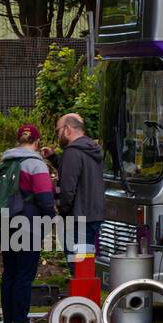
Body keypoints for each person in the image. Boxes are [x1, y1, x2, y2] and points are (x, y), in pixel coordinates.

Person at [0, 125, 55, 323]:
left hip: (5, 222)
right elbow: (44, 196)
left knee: (10, 273)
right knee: (24, 273)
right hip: (28, 224)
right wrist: (50, 217)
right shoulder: (34, 163)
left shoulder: (6, 161)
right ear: (37, 142)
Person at [42, 113, 104, 275]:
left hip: (76, 219)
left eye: (58, 131)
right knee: (85, 266)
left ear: (67, 129)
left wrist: (61, 210)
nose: (57, 135)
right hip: (93, 216)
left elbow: (68, 188)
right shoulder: (91, 149)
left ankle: (81, 300)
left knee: (77, 268)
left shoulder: (72, 152)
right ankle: (85, 298)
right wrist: (54, 158)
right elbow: (80, 173)